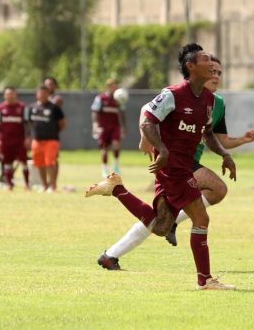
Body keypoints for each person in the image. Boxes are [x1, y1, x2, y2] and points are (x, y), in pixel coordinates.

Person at [85, 43, 238, 290]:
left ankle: (116, 190)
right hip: (172, 167)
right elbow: (147, 121)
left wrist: (224, 155)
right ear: (191, 66)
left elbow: (208, 133)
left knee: (159, 223)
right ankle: (205, 280)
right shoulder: (172, 94)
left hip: (184, 166)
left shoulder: (208, 100)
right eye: (206, 60)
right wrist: (162, 149)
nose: (212, 65)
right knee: (201, 217)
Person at [26, 84, 66, 192]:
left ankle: (52, 186)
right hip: (37, 140)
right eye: (40, 93)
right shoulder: (31, 107)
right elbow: (29, 123)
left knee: (50, 162)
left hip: (51, 140)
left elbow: (62, 123)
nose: (42, 95)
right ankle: (44, 186)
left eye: (45, 93)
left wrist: (54, 132)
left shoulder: (54, 108)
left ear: (48, 94)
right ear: (36, 94)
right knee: (39, 163)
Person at [0, 87, 31, 191]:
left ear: (15, 94)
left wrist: (28, 137)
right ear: (4, 95)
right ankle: (9, 184)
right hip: (5, 141)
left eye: (12, 93)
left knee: (24, 162)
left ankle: (27, 184)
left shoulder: (22, 107)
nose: (10, 96)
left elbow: (27, 124)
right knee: (7, 162)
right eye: (8, 94)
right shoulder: (0, 108)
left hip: (19, 140)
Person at [91, 78, 127, 178]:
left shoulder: (119, 99)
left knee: (116, 144)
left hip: (115, 126)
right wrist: (95, 125)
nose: (115, 88)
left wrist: (123, 127)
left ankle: (116, 166)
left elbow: (122, 113)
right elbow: (94, 112)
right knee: (104, 149)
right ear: (108, 87)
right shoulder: (100, 98)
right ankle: (104, 169)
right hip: (103, 127)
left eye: (116, 86)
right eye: (113, 86)